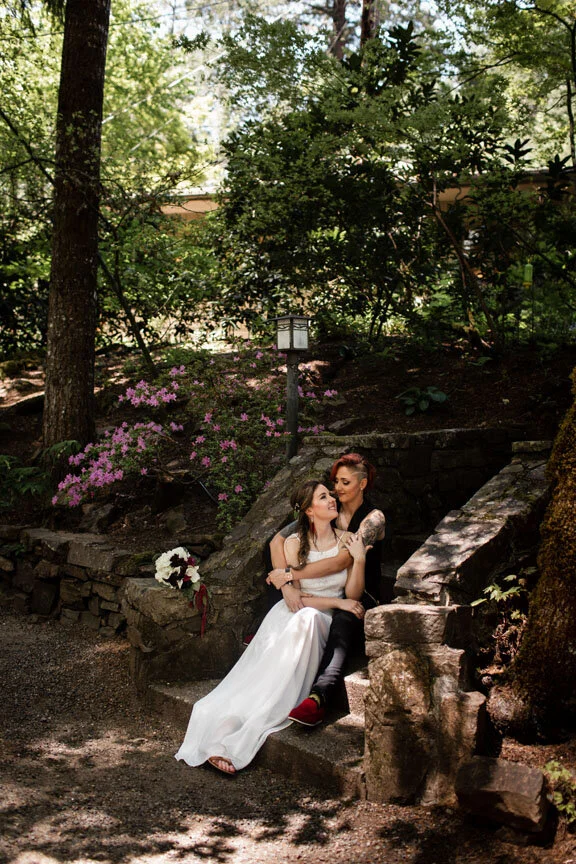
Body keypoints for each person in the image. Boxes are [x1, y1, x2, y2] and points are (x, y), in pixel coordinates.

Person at [174, 479, 367, 776]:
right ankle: (225, 733)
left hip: (320, 619)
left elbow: (353, 595)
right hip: (297, 613)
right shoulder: (293, 544)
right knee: (303, 620)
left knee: (311, 619)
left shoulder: (348, 540)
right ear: (308, 510)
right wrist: (337, 603)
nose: (332, 499)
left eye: (331, 494)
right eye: (323, 496)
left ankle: (246, 730)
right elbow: (296, 597)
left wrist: (360, 559)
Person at [266, 453, 386, 727]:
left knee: (344, 617)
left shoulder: (373, 518)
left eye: (345, 482)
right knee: (286, 565)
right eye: (335, 482)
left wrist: (287, 574)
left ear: (363, 484)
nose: (337, 489)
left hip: (360, 589)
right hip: (325, 589)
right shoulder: (329, 509)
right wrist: (286, 585)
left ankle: (319, 696)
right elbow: (277, 541)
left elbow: (343, 561)